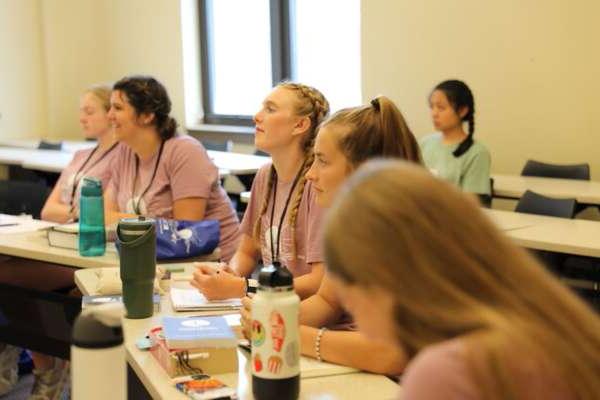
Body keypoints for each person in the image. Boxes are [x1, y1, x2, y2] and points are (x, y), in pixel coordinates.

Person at [324, 160, 600, 399]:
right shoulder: (558, 325)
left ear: (380, 279)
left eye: (348, 290)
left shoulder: (448, 372)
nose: (352, 311)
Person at [241, 96, 419, 374]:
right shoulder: (350, 226)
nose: (310, 175)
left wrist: (290, 334)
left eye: (322, 162)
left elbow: (391, 353)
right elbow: (328, 301)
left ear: (365, 170)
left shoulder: (401, 234)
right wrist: (273, 319)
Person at [0, 84, 118, 399]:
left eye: (89, 111)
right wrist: (79, 212)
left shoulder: (123, 158)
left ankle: (36, 360)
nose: (81, 118)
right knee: (4, 266)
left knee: (7, 276)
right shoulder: (81, 155)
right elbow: (48, 209)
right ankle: (36, 361)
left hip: (85, 254)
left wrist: (78, 214)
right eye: (80, 110)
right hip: (56, 242)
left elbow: (100, 217)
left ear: (111, 114)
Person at [191, 82, 329, 300]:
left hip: (308, 315)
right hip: (273, 307)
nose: (257, 116)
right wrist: (229, 274)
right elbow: (246, 252)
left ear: (300, 125)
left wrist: (241, 287)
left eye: (270, 109)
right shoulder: (265, 175)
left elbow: (318, 281)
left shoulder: (317, 183)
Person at [104, 75, 240, 261]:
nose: (109, 115)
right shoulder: (124, 151)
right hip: (152, 257)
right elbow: (104, 216)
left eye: (118, 108)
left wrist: (124, 223)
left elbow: (183, 231)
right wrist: (152, 226)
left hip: (210, 264)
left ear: (146, 115)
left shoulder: (184, 151)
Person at [419, 79, 491, 196]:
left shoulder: (477, 153)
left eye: (441, 108)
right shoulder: (424, 143)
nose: (434, 113)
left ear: (462, 111)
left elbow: (472, 204)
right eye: (432, 107)